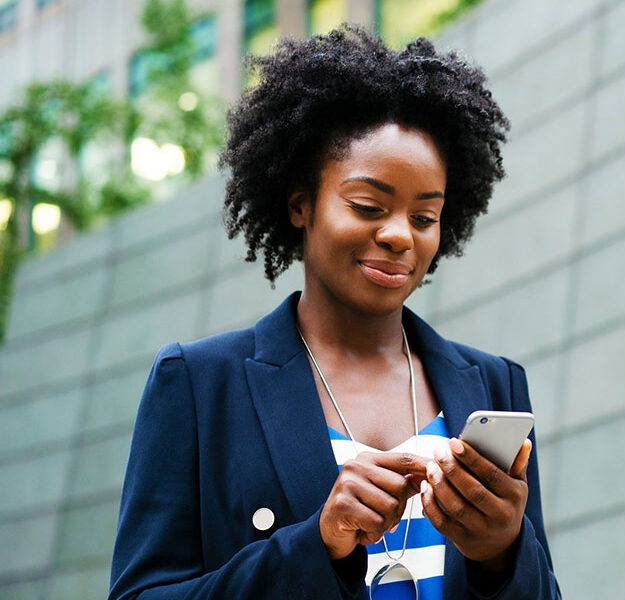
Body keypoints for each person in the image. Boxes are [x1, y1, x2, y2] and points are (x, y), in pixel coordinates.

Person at [110, 25, 561, 600]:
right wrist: (316, 545)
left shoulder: (496, 385)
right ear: (301, 204)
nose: (400, 235)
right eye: (368, 206)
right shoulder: (199, 385)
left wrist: (503, 554)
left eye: (425, 217)